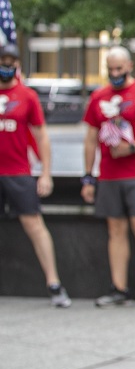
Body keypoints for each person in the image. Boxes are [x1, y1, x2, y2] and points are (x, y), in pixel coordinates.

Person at [81, 46, 135, 307]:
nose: (115, 73)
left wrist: (133, 147)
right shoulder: (98, 97)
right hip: (108, 174)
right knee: (115, 229)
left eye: (119, 68)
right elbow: (91, 139)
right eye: (110, 69)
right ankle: (119, 288)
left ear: (129, 66)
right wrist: (88, 176)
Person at [0, 43, 71, 307]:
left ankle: (54, 284)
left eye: (11, 62)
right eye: (2, 61)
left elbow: (42, 136)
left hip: (19, 172)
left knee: (34, 225)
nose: (6, 66)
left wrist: (46, 174)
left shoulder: (27, 96)